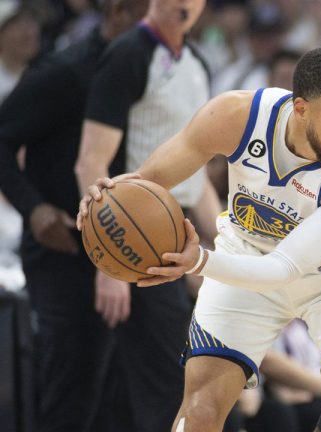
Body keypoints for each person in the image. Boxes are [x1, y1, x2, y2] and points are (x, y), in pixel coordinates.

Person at [77, 47, 321, 432]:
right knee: (200, 413)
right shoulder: (236, 116)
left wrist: (198, 261)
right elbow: (147, 184)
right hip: (245, 254)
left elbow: (282, 268)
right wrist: (106, 199)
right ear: (301, 109)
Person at [0, 1, 149, 430]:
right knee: (74, 391)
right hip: (65, 249)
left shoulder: (162, 73)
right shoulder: (64, 72)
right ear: (118, 13)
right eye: (152, 16)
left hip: (139, 249)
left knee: (124, 396)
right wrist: (33, 208)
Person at [74, 0, 219, 430]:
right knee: (166, 385)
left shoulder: (197, 64)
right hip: (134, 236)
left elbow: (197, 179)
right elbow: (90, 162)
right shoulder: (128, 54)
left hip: (177, 230)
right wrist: (108, 265)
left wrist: (229, 244)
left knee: (151, 386)